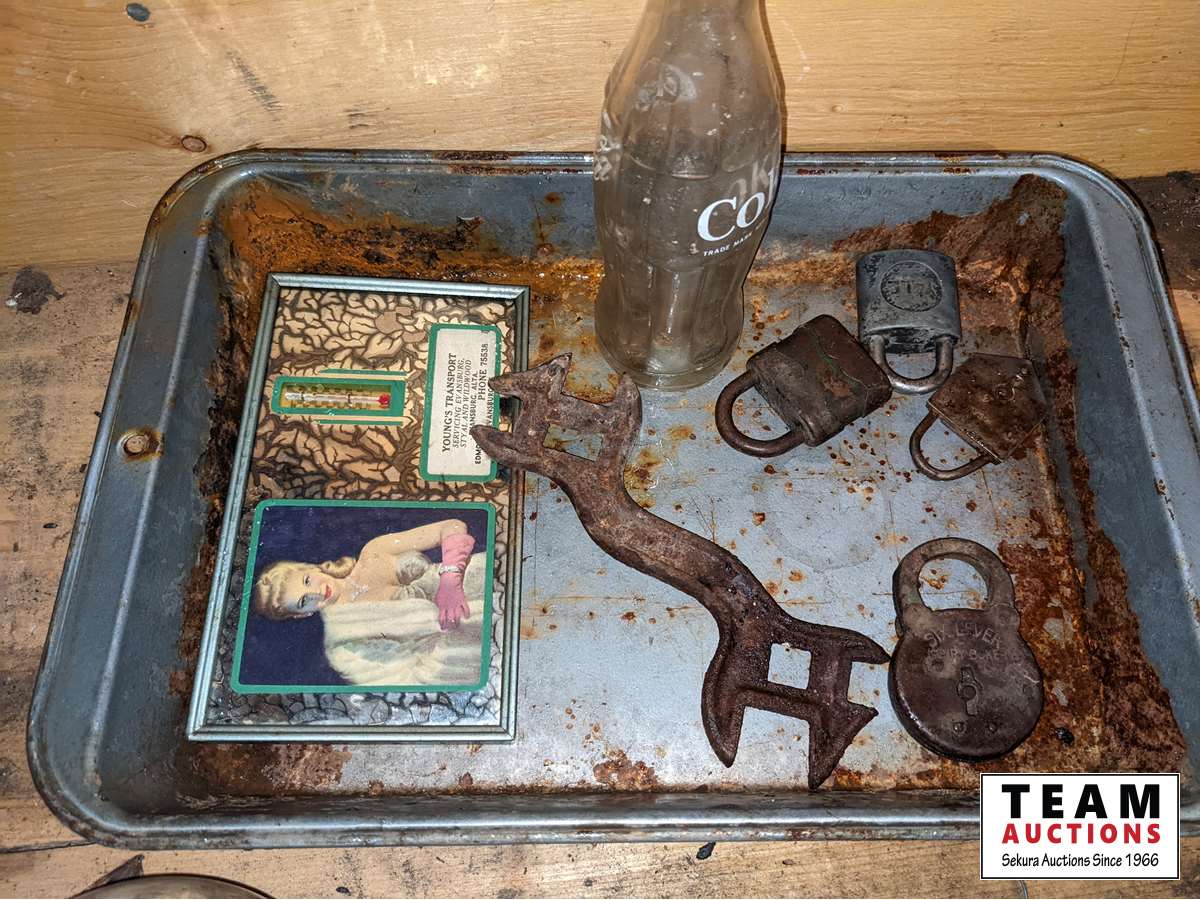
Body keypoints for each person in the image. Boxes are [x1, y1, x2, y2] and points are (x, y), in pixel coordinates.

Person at [250, 518, 488, 687]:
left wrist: (450, 577)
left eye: (307, 580)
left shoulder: (374, 551)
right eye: (303, 601)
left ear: (312, 568)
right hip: (473, 636)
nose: (317, 592)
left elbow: (452, 526)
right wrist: (458, 631)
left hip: (484, 578)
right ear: (302, 614)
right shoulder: (343, 645)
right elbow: (410, 683)